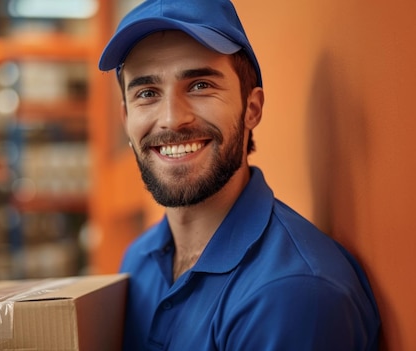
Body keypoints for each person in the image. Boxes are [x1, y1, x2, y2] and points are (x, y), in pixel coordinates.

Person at [98, 0, 381, 350]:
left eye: (200, 85)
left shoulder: (292, 293)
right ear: (126, 118)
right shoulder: (138, 259)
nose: (172, 118)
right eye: (147, 93)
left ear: (252, 108)